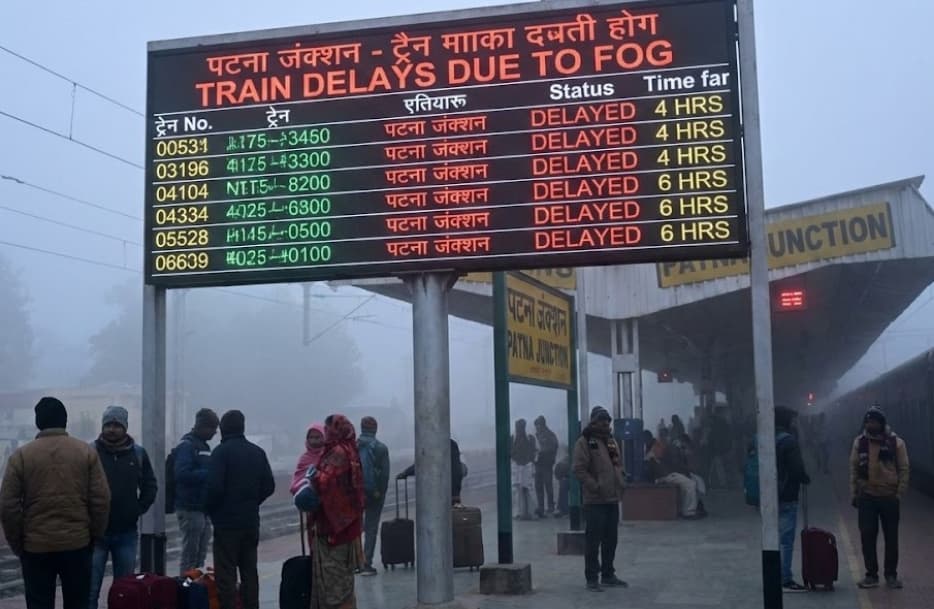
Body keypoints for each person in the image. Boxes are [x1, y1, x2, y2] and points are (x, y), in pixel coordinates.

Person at [0, 397, 111, 609]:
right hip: (77, 544)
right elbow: (101, 500)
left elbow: (8, 506)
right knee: (78, 602)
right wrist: (93, 536)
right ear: (65, 421)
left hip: (36, 547)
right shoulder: (85, 452)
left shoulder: (21, 456)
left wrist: (18, 543)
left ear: (38, 422)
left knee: (39, 603)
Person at [205, 410, 275, 609]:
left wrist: (211, 509)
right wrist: (252, 502)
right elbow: (269, 486)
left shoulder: (221, 453)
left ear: (223, 429)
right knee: (249, 571)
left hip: (226, 524)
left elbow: (214, 488)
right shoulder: (257, 452)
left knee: (226, 572)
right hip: (250, 521)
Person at [89, 406, 158, 609]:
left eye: (117, 425)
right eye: (108, 424)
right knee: (90, 590)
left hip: (126, 533)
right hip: (95, 534)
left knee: (124, 591)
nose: (112, 429)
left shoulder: (138, 454)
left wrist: (137, 509)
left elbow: (150, 485)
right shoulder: (90, 452)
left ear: (125, 427)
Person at [850, 405, 909, 590]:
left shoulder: (896, 443)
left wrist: (899, 493)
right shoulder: (860, 442)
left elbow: (904, 469)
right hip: (867, 496)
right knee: (867, 536)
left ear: (881, 423)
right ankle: (871, 575)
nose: (870, 424)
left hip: (889, 497)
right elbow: (853, 469)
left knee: (891, 538)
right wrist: (854, 493)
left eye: (874, 421)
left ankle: (891, 575)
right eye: (868, 421)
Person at [309, 415, 365, 609]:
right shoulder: (351, 449)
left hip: (333, 528)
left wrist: (312, 477)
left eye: (327, 429)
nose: (325, 433)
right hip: (348, 524)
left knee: (333, 581)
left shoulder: (337, 453)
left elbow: (324, 483)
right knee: (345, 579)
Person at [572, 406, 627, 592]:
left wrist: (621, 479)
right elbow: (579, 469)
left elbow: (617, 463)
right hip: (595, 500)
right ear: (593, 421)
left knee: (611, 539)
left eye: (607, 420)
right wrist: (595, 486)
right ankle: (592, 578)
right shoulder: (585, 441)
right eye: (601, 419)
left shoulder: (610, 441)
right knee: (593, 541)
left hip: (612, 499)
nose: (605, 423)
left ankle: (608, 574)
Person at [173, 408, 219, 574]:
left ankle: (195, 584)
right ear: (202, 426)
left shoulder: (203, 446)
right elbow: (181, 473)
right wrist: (209, 474)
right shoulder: (187, 446)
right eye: (212, 428)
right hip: (190, 506)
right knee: (190, 553)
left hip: (202, 508)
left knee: (200, 552)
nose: (215, 433)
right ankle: (185, 585)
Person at [774, 405, 811, 593]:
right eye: (793, 419)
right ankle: (786, 579)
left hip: (769, 496)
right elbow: (797, 469)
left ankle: (773, 575)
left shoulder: (766, 438)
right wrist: (805, 477)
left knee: (772, 538)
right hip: (787, 495)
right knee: (786, 539)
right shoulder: (789, 441)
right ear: (787, 421)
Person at [357, 416, 390, 576]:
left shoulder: (353, 446)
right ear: (375, 429)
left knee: (354, 528)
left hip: (356, 493)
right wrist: (380, 492)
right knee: (371, 528)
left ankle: (355, 560)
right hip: (374, 494)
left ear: (361, 428)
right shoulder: (381, 448)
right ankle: (366, 562)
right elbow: (385, 475)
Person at [644, 429, 701, 519]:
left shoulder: (657, 447)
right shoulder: (653, 450)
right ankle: (688, 512)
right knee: (690, 484)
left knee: (693, 482)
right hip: (664, 476)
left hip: (668, 474)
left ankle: (690, 509)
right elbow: (659, 468)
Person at [397, 438, 464, 505]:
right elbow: (458, 469)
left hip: (439, 494)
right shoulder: (451, 444)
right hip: (453, 493)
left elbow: (422, 465)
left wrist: (405, 473)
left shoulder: (433, 444)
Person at [511, 419, 536, 520]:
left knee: (525, 490)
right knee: (519, 490)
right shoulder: (527, 438)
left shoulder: (527, 438)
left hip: (524, 465)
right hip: (520, 465)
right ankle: (522, 512)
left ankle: (526, 512)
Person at [533, 416, 558, 517]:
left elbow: (554, 447)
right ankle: (541, 508)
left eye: (538, 425)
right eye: (536, 425)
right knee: (538, 486)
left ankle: (550, 507)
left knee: (548, 486)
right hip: (538, 464)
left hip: (546, 464)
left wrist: (542, 452)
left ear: (542, 425)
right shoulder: (536, 436)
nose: (537, 427)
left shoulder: (550, 435)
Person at [553, 451, 570, 518]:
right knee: (563, 486)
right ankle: (562, 509)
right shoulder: (566, 461)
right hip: (569, 478)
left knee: (563, 486)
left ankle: (562, 509)